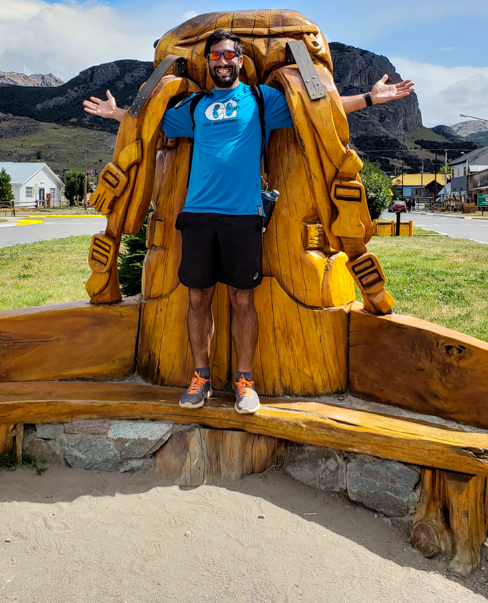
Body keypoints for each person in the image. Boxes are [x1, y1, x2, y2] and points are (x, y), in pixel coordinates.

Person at [83, 29, 413, 414]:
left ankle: (244, 381)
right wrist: (116, 114)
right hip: (198, 215)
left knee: (243, 299)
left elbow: (321, 107)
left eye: (229, 55)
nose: (223, 61)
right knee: (197, 297)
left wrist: (372, 97)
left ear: (240, 60)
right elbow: (151, 124)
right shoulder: (194, 107)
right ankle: (201, 377)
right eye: (216, 56)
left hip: (243, 216)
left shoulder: (261, 99)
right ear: (207, 63)